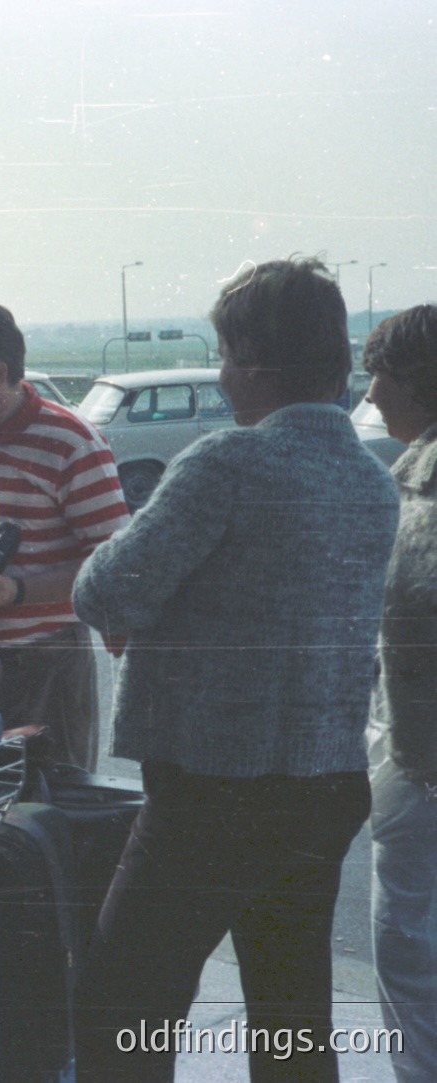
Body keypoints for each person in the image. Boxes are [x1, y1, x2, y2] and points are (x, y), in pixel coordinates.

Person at [70, 258, 400, 1082]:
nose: (219, 374)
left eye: (222, 354)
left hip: (212, 791)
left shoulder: (224, 463)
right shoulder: (371, 481)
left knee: (120, 1008)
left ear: (251, 362)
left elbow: (102, 587)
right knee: (290, 1014)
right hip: (323, 786)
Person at [0, 296, 128, 771]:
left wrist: (20, 592)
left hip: (43, 665)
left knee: (46, 816)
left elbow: (116, 566)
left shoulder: (72, 443)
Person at [360, 305, 437, 1080]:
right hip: (411, 755)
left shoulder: (422, 478)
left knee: (406, 946)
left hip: (421, 763)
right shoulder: (408, 468)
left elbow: (408, 611)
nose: (371, 390)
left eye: (379, 371)